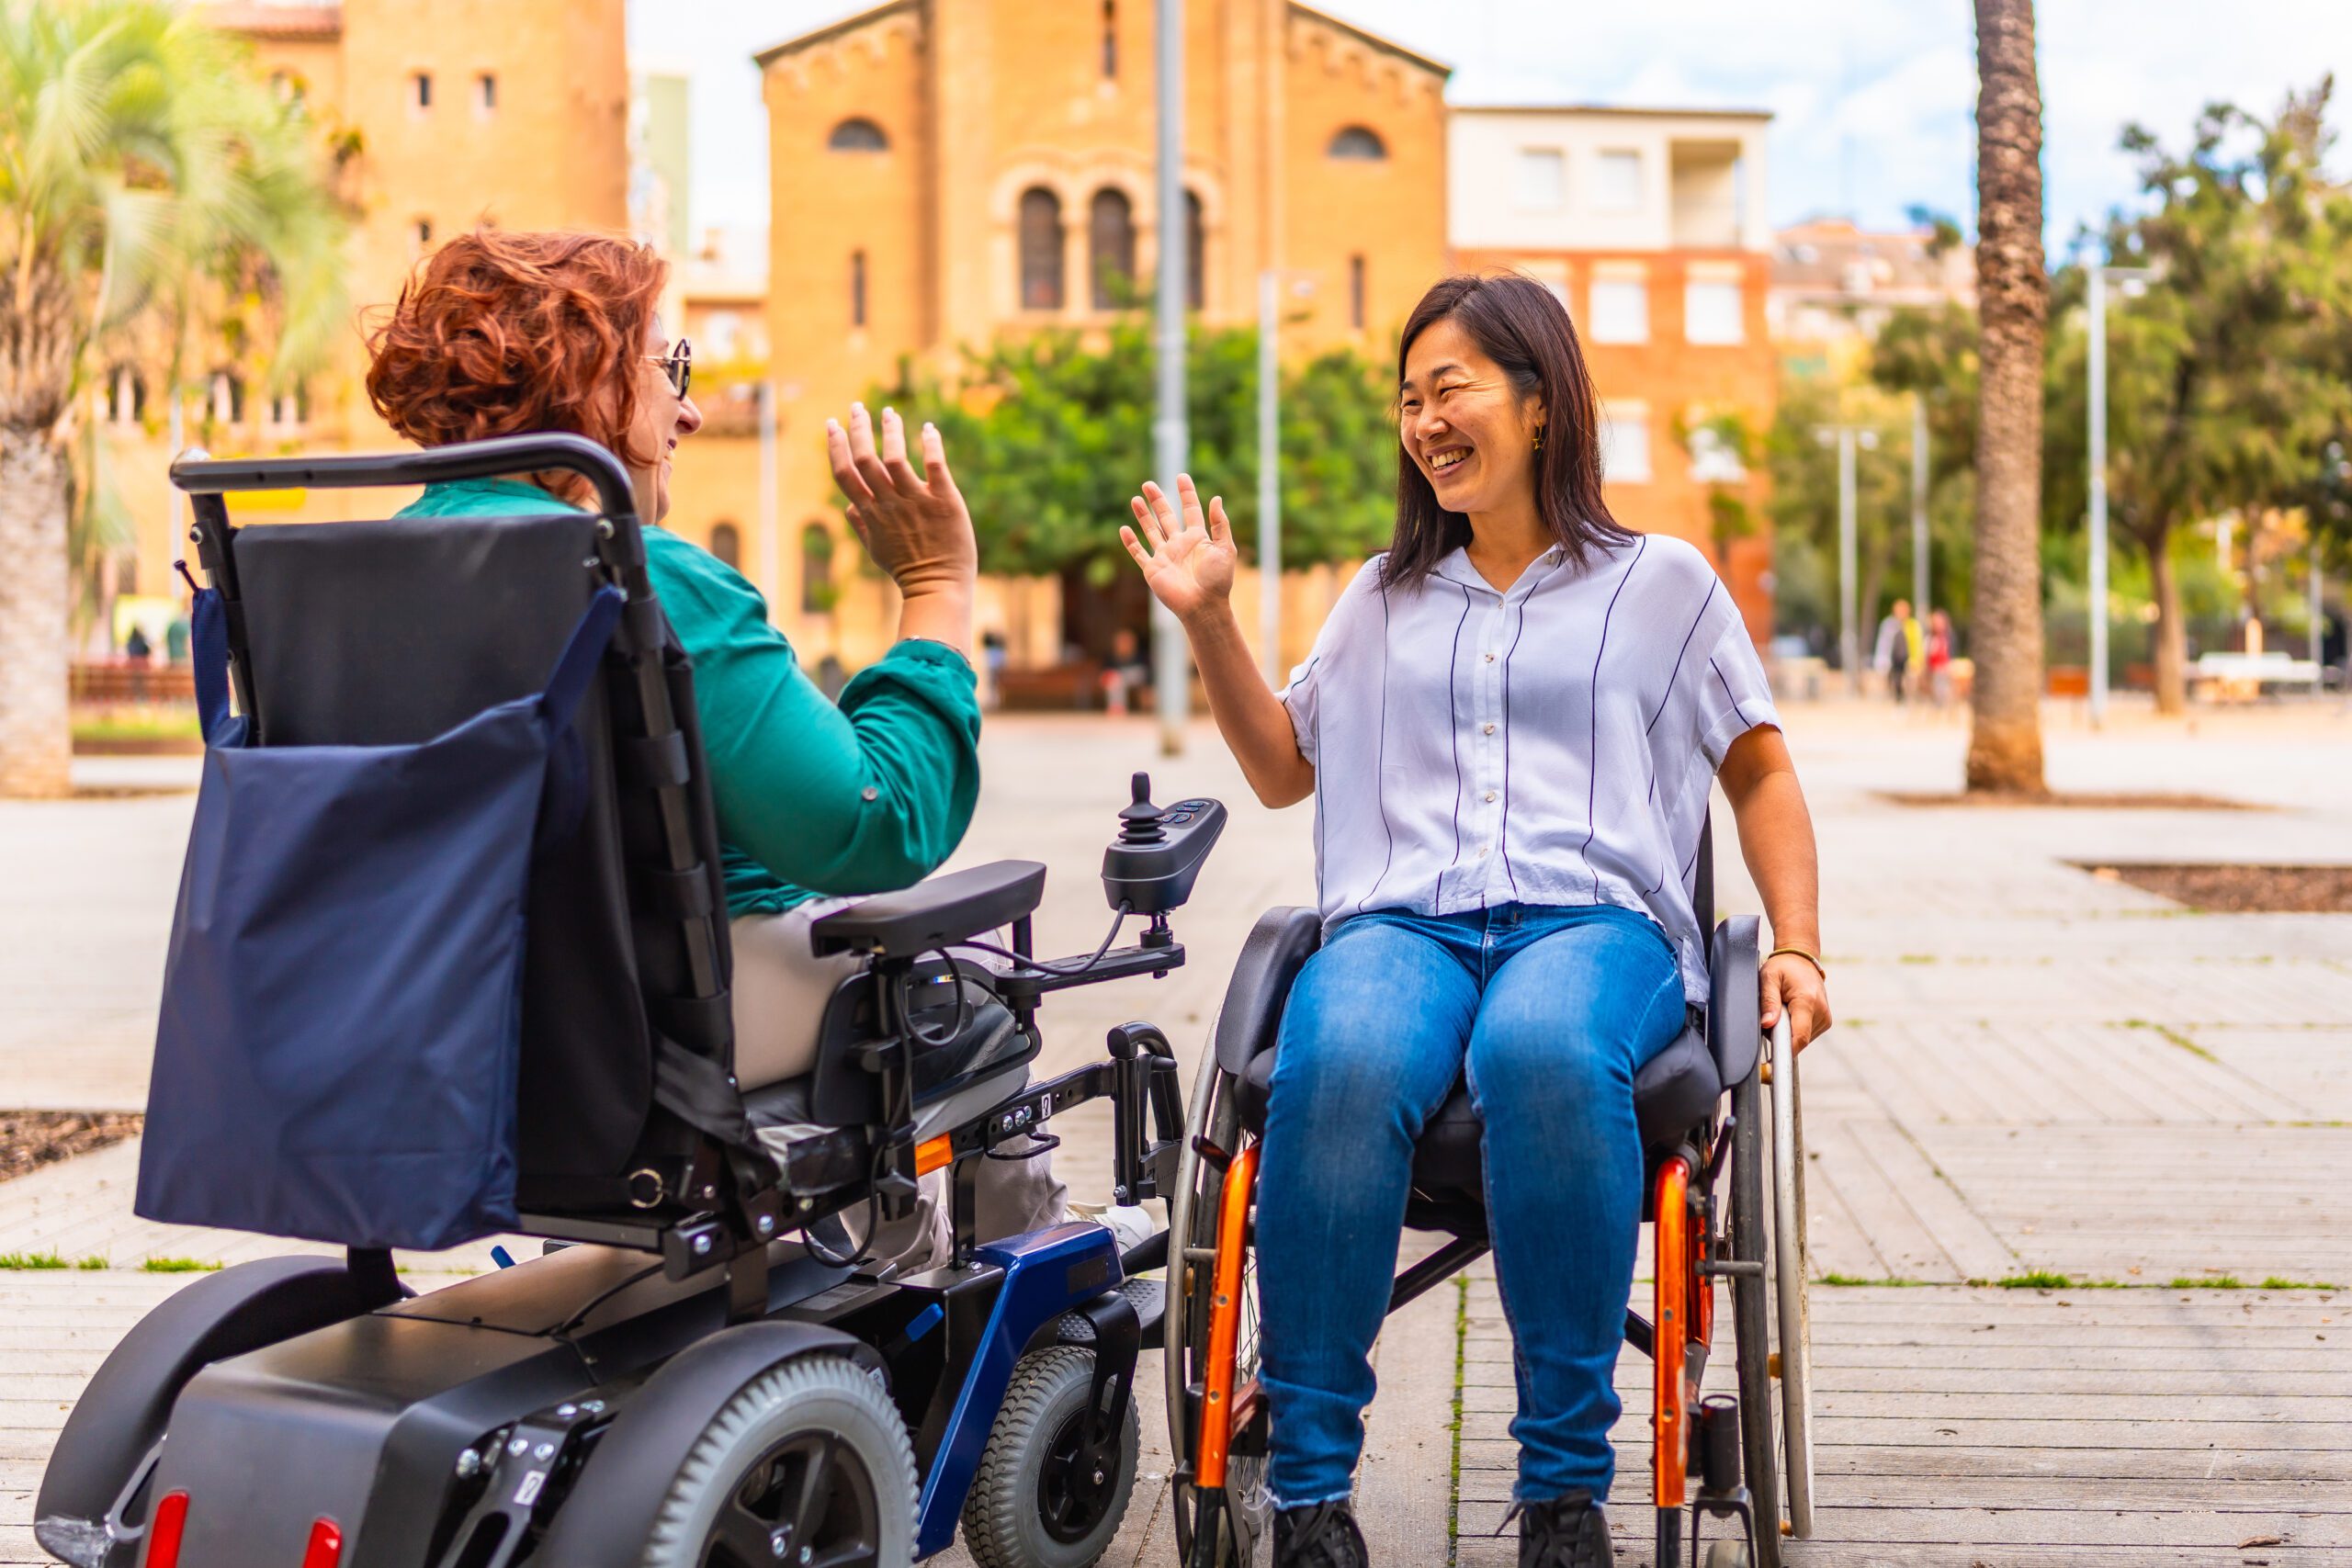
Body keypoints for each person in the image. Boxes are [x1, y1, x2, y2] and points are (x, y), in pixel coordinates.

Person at [1119, 273, 1830, 1567]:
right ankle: (1312, 1495)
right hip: (1404, 924)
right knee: (1338, 1059)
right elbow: (1285, 768)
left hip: (1593, 925)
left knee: (1540, 1051)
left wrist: (1793, 941)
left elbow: (1761, 770)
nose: (1425, 420)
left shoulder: (1660, 582)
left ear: (1541, 403)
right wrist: (1214, 618)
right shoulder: (1380, 597)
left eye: (1450, 388)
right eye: (1409, 398)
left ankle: (1564, 1489)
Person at [362, 230, 1116, 1274]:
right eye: (669, 370)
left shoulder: (364, 569)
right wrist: (936, 588)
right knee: (971, 994)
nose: (691, 411)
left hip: (425, 1025)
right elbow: (872, 822)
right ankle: (975, 1291)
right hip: (635, 1036)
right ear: (583, 384)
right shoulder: (642, 578)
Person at [1925, 608, 1955, 707]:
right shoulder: (1930, 638)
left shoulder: (1949, 637)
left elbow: (1952, 654)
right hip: (1933, 670)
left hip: (1945, 669)